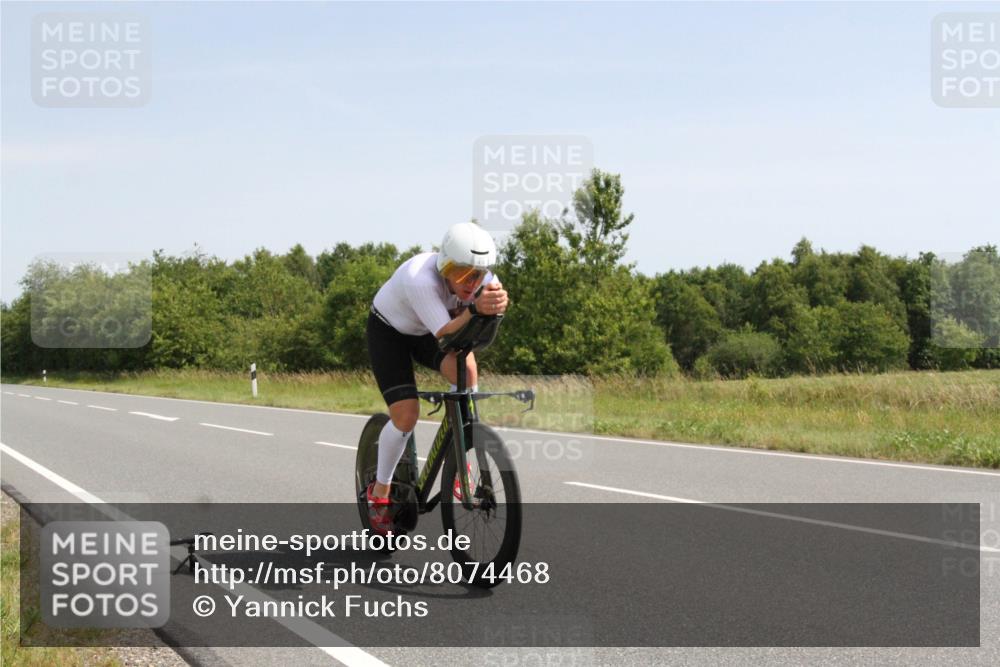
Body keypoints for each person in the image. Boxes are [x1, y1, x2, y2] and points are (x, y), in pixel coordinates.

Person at [365, 222, 508, 534]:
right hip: (391, 332)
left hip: (429, 329)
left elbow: (475, 340)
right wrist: (473, 312)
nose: (471, 283)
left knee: (468, 372)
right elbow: (444, 336)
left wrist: (494, 313)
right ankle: (380, 491)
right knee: (406, 414)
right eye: (461, 273)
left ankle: (460, 446)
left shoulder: (486, 281)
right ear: (444, 266)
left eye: (478, 274)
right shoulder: (420, 279)